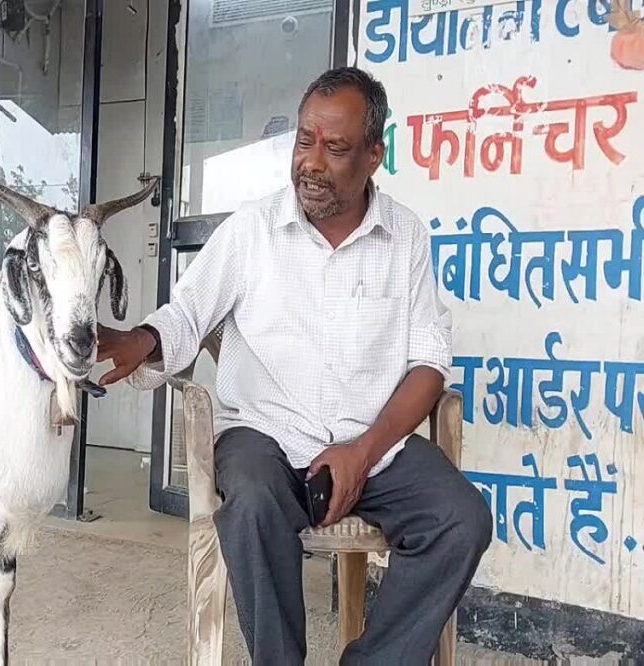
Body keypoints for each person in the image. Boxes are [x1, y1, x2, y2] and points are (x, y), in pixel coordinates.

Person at [96, 67, 492, 664]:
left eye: (334, 148)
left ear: (374, 155)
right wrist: (142, 339)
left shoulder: (406, 237)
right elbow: (187, 315)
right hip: (269, 438)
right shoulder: (251, 231)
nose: (311, 161)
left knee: (462, 519)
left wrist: (363, 453)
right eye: (304, 141)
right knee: (251, 506)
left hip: (373, 447)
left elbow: (429, 366)